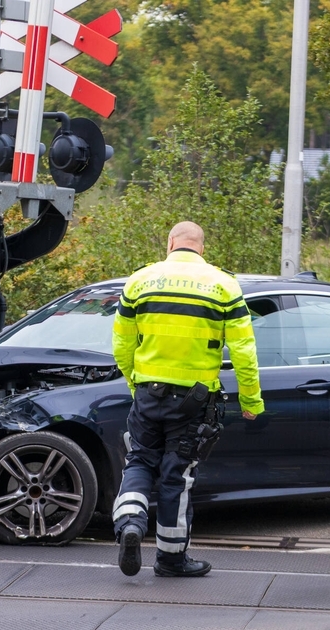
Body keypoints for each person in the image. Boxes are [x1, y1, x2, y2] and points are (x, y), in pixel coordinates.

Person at [110, 221, 263, 577]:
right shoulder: (223, 285)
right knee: (176, 474)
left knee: (139, 461)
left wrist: (136, 382)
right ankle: (171, 559)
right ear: (201, 248)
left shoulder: (140, 281)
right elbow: (243, 350)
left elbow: (120, 343)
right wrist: (251, 401)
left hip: (148, 392)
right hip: (193, 400)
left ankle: (130, 524)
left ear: (170, 243)